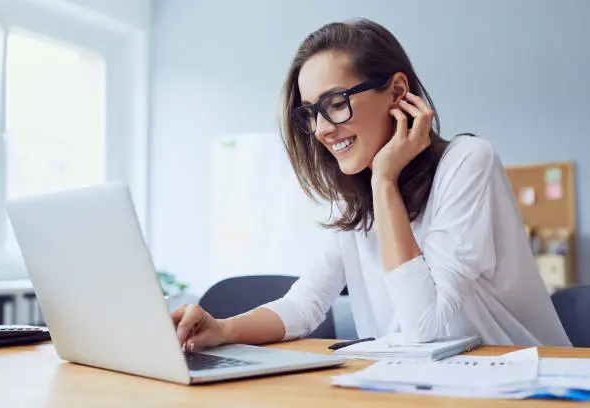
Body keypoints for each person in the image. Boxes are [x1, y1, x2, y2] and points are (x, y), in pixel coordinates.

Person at [171, 18, 571, 351]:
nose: (322, 129)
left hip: (528, 389)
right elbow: (305, 304)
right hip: (417, 388)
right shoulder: (353, 201)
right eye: (310, 113)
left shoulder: (468, 162)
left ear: (397, 91)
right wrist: (223, 329)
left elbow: (423, 327)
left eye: (335, 103)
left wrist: (384, 179)